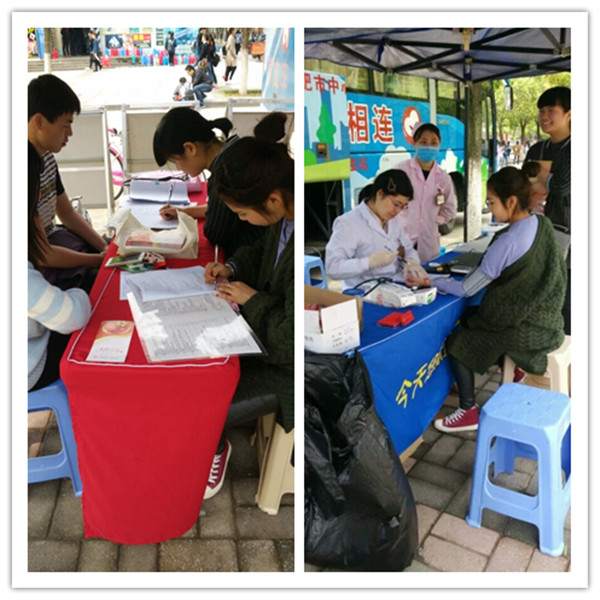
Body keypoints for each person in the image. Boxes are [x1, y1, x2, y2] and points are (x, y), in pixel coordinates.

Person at [405, 167, 567, 433]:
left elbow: (467, 289)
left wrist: (430, 280)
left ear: (511, 201)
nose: (489, 208)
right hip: (549, 318)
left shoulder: (507, 242)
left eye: (491, 202)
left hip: (525, 329)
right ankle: (511, 367)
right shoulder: (541, 223)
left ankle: (468, 410)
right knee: (475, 316)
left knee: (458, 340)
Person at [201, 112, 294, 498]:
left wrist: (251, 299)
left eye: (242, 214)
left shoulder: (296, 232)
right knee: (199, 369)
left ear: (272, 199)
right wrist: (232, 268)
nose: (242, 219)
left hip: (285, 368)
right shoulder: (280, 220)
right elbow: (257, 252)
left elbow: (289, 341)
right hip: (261, 339)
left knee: (205, 401)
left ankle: (213, 447)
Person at [28, 74, 108, 292]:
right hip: (39, 268)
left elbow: (68, 214)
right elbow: (42, 254)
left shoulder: (45, 158)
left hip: (55, 244)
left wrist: (105, 247)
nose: (70, 133)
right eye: (66, 125)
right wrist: (97, 260)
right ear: (39, 122)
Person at [152, 107, 265, 256]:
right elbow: (224, 209)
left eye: (175, 161)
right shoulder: (237, 150)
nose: (178, 168)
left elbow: (215, 233)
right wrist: (183, 211)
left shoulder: (224, 174)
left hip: (254, 254)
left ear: (190, 149)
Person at [28, 143, 91, 392]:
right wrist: (77, 294)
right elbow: (72, 316)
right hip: (31, 367)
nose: (70, 136)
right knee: (90, 333)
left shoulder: (44, 161)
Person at [524, 86, 571, 334]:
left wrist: (539, 175)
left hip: (568, 232)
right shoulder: (537, 149)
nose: (544, 116)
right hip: (537, 231)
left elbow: (562, 186)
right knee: (541, 293)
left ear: (569, 114)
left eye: (551, 110)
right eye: (541, 111)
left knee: (566, 296)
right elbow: (523, 184)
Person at [325, 169, 418, 291]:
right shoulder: (348, 223)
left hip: (395, 283)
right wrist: (369, 262)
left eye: (403, 207)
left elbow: (408, 247)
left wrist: (411, 261)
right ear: (380, 194)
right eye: (396, 204)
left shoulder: (394, 220)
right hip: (363, 290)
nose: (398, 211)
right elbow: (333, 268)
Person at [395, 123, 457, 264]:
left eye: (433, 142)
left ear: (439, 145)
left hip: (429, 241)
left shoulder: (443, 177)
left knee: (427, 273)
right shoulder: (401, 171)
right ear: (415, 144)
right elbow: (389, 204)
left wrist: (433, 221)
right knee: (401, 273)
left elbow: (450, 209)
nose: (429, 146)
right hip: (402, 239)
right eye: (423, 142)